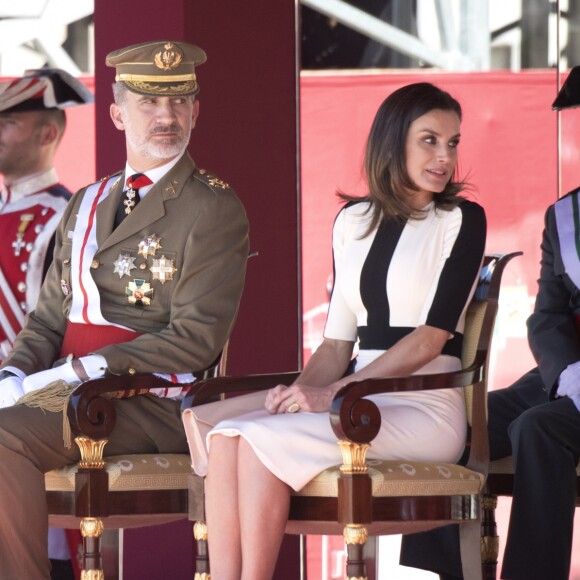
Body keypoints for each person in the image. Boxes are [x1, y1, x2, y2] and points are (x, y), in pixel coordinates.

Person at [183, 82, 487, 579]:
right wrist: (305, 389)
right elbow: (336, 343)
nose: (445, 157)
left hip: (424, 402)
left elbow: (431, 338)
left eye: (452, 142)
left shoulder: (461, 219)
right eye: (429, 140)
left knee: (258, 439)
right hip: (356, 399)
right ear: (393, 143)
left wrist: (335, 393)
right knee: (228, 436)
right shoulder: (352, 221)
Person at [0, 39, 249, 579]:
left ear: (195, 110)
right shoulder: (87, 201)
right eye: (149, 103)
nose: (167, 116)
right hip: (66, 392)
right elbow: (47, 319)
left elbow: (195, 338)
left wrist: (80, 371)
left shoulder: (212, 206)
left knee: (3, 437)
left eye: (179, 102)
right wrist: (15, 373)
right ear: (117, 113)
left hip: (150, 399)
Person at [399, 67, 580, 580]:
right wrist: (568, 373)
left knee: (537, 429)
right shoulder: (568, 216)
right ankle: (450, 573)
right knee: (453, 424)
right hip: (569, 379)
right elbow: (548, 315)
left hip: (559, 409)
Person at [0, 68, 94, 580]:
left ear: (48, 132)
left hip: (32, 394)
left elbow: (65, 325)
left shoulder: (67, 217)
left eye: (8, 122)